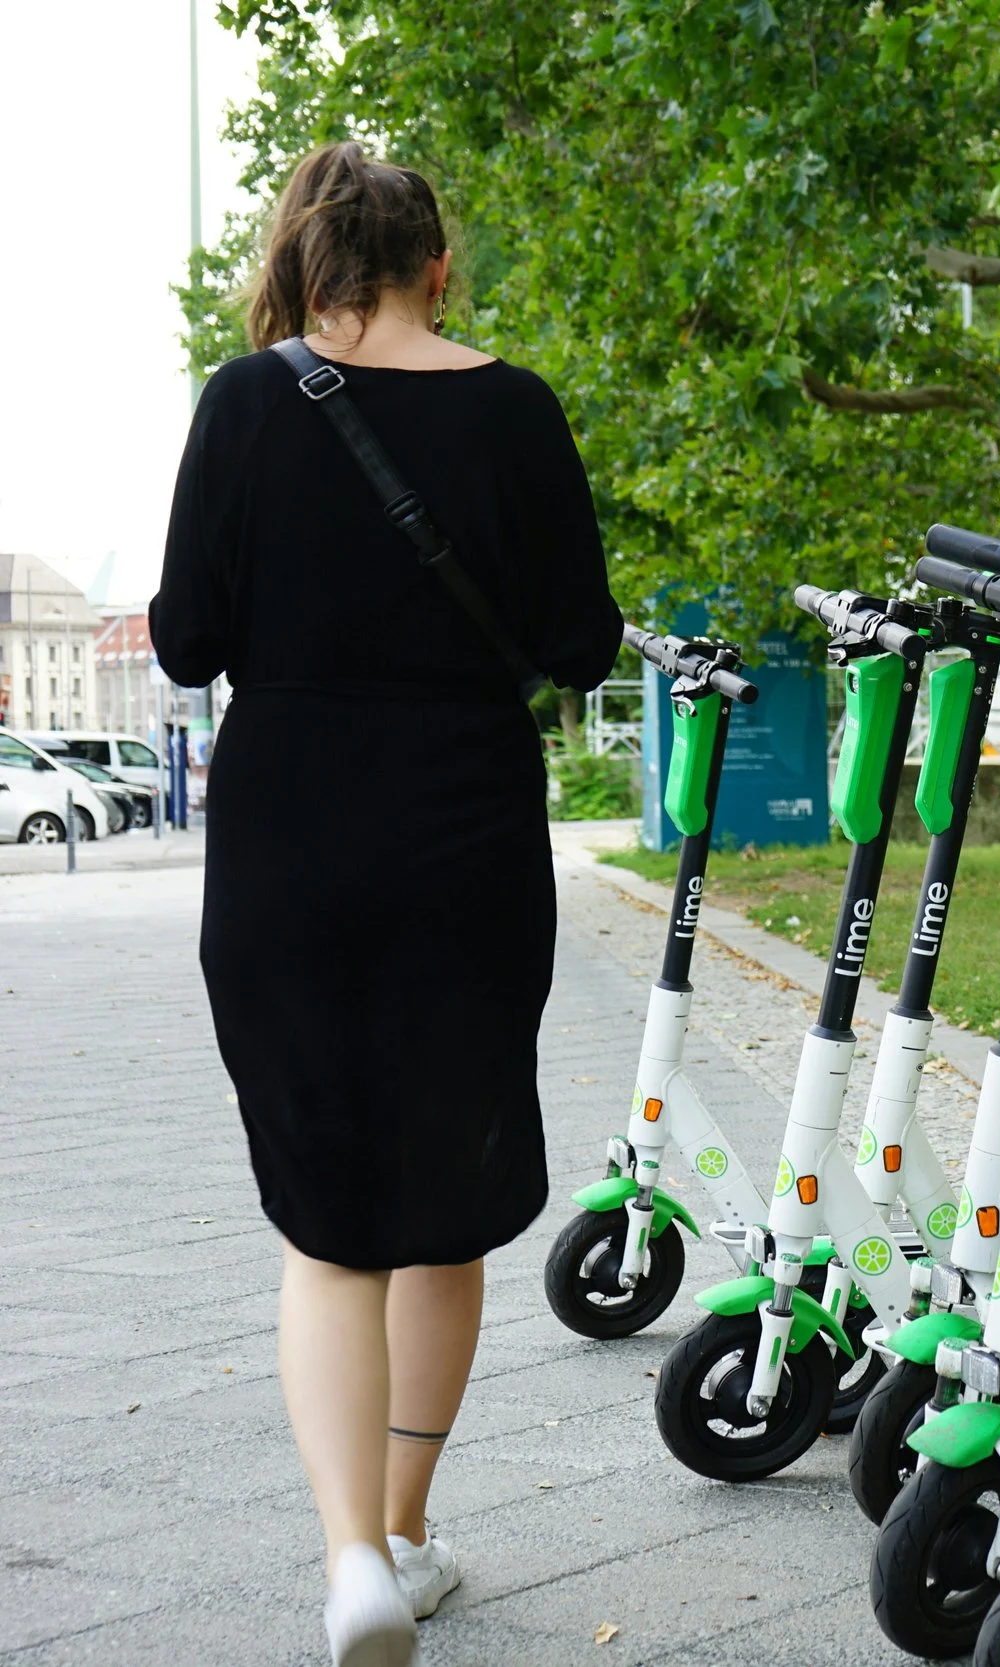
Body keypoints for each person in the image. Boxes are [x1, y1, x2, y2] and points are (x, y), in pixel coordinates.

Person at [150, 142, 622, 1667]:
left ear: (305, 263)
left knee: (327, 1226)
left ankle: (350, 1554)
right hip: (465, 837)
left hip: (289, 838)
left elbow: (185, 642)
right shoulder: (516, 407)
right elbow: (580, 646)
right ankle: (407, 1531)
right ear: (436, 265)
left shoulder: (241, 405)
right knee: (445, 1200)